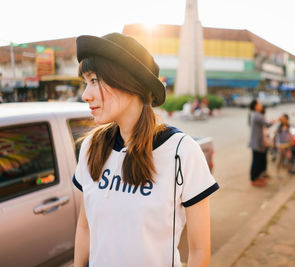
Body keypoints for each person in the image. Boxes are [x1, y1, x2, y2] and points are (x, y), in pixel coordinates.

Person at [73, 33, 219, 267]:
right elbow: (85, 225)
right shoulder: (91, 147)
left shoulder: (181, 151)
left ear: (128, 82)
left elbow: (200, 250)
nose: (85, 95)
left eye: (94, 80)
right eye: (85, 82)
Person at [248, 99, 273, 187]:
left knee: (259, 161)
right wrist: (276, 120)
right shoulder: (257, 115)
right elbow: (267, 124)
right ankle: (253, 179)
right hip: (257, 143)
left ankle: (257, 177)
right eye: (259, 104)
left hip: (258, 143)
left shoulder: (256, 115)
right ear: (255, 106)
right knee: (256, 162)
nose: (261, 105)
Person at [275, 114, 292, 178]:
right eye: (283, 119)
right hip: (280, 146)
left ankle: (287, 172)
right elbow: (276, 133)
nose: (284, 120)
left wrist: (291, 141)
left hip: (288, 145)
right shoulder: (279, 126)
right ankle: (278, 173)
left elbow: (290, 134)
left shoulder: (289, 126)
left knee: (288, 159)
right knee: (280, 160)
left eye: (286, 119)